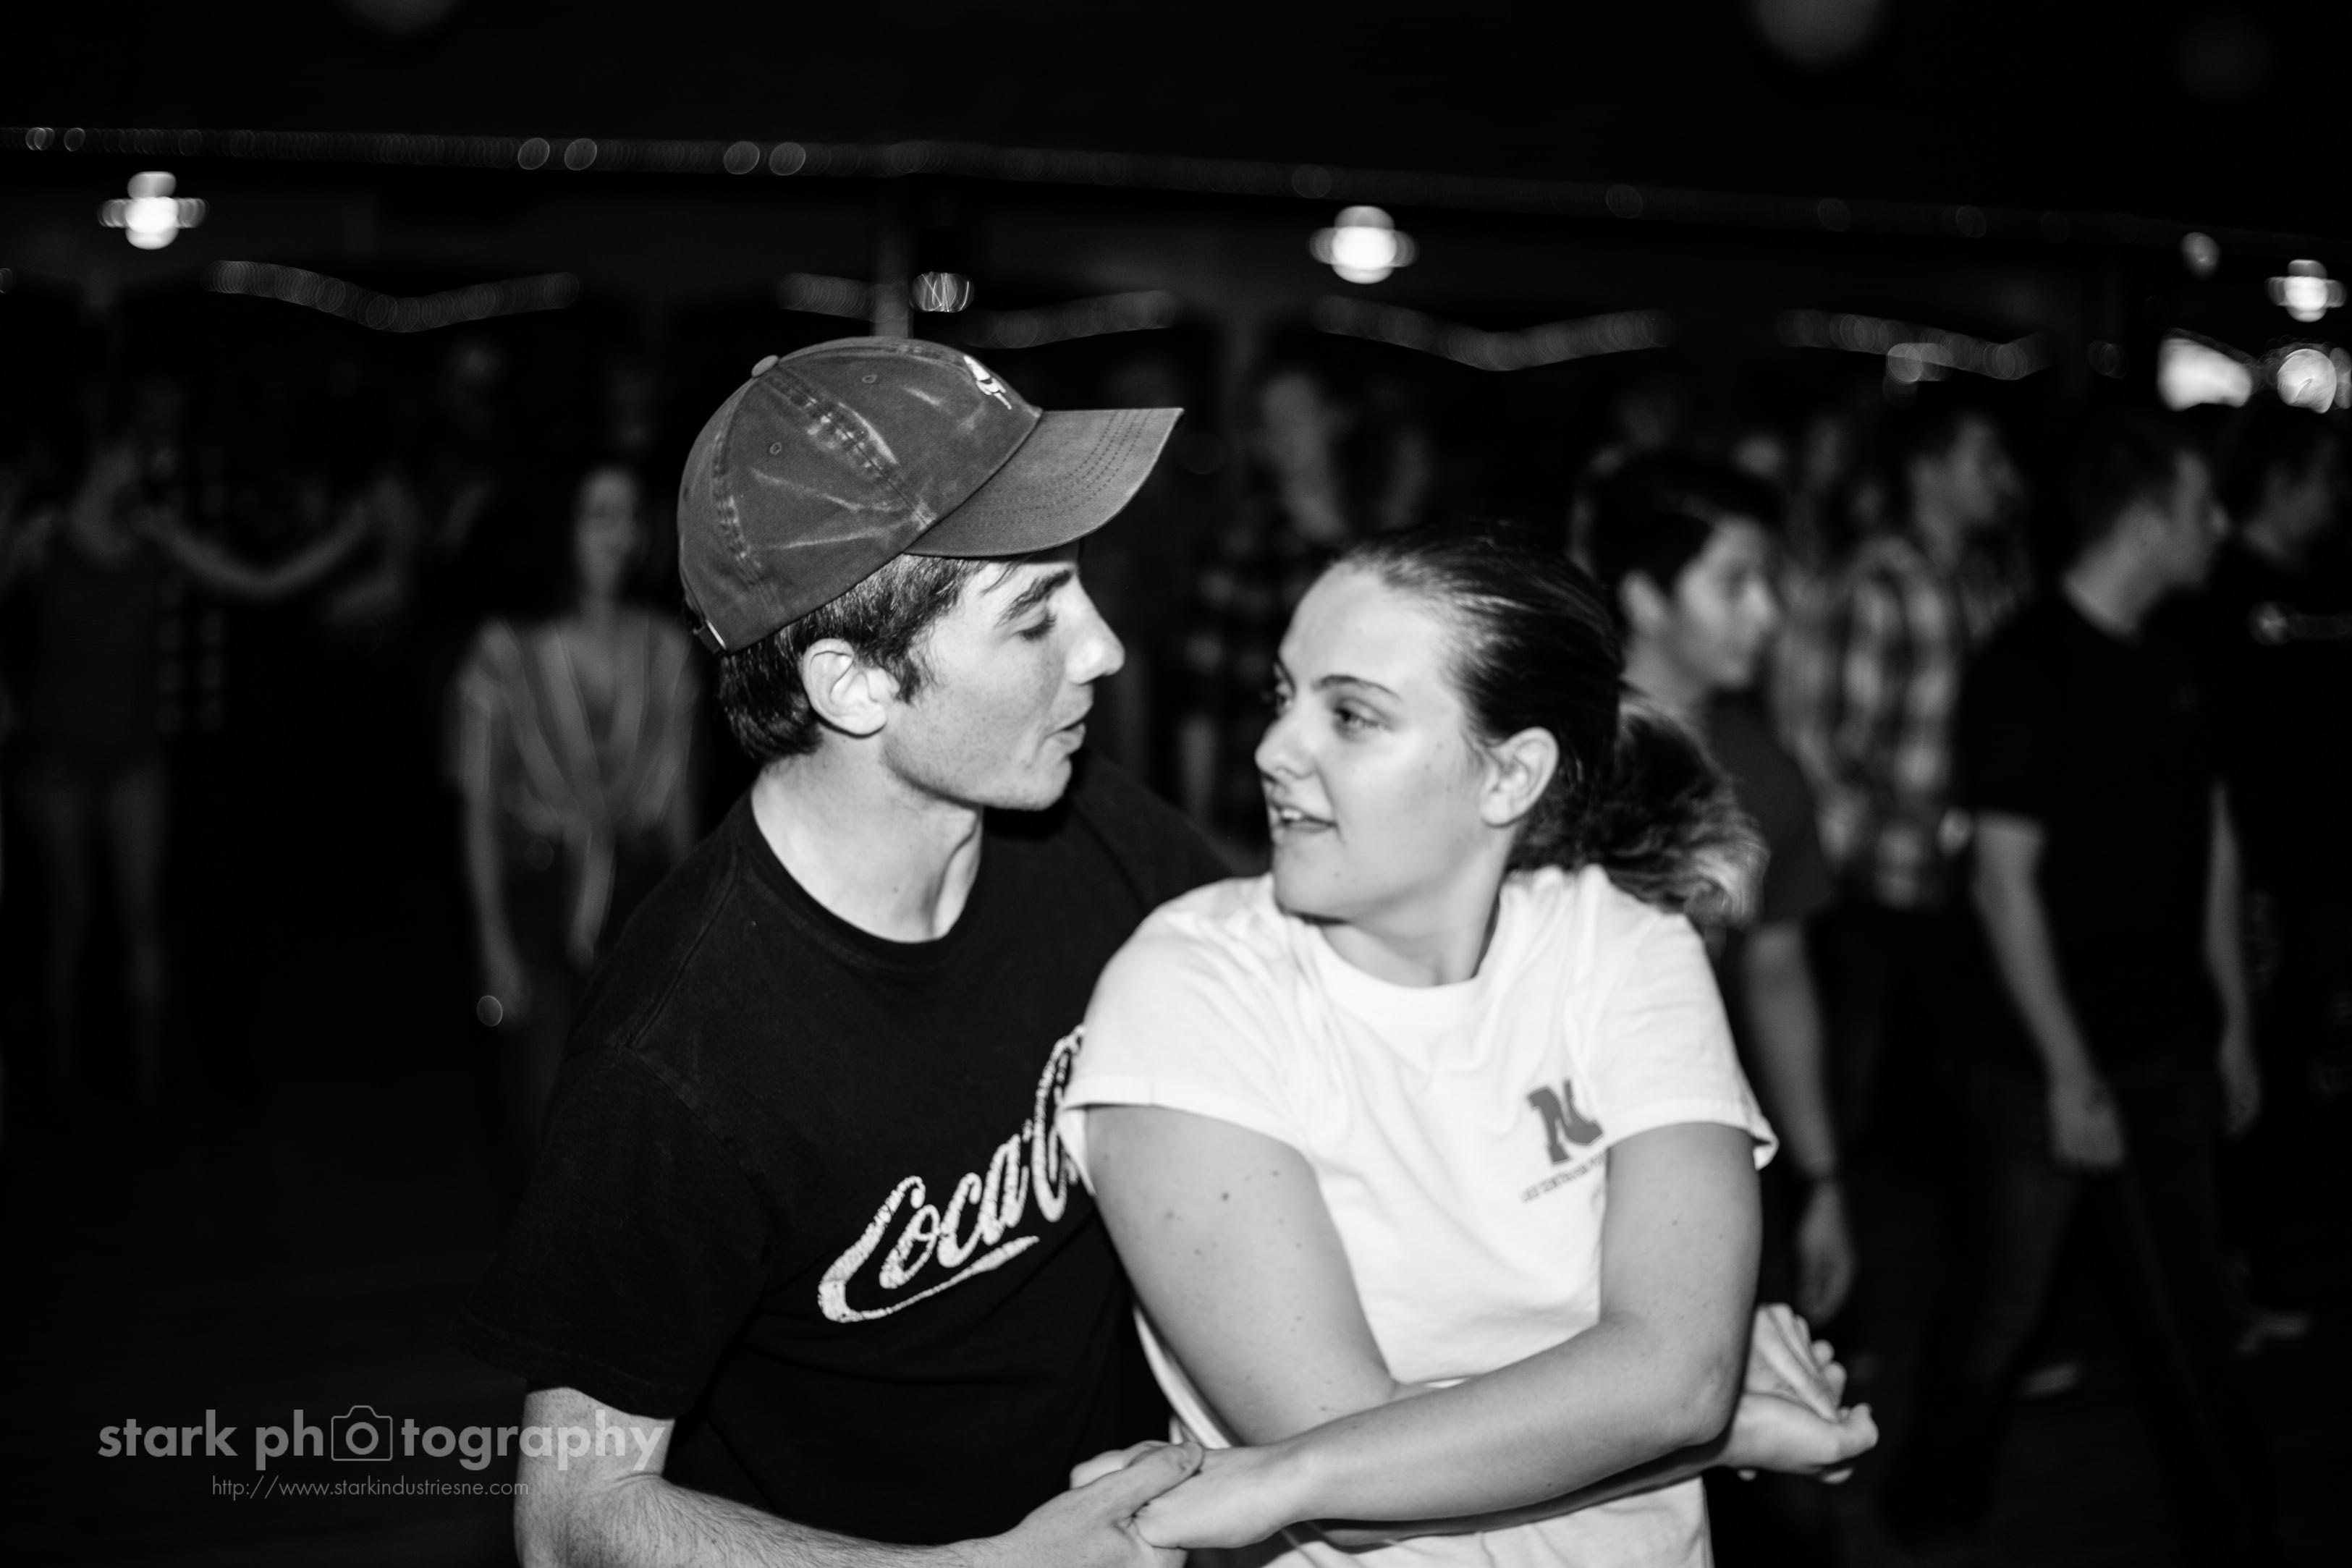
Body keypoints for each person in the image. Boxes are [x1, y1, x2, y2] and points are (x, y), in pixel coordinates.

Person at [453, 337, 1219, 1564]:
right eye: (1036, 614)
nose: (1102, 648)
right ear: (853, 683)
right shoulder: (678, 1057)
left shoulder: (1087, 824)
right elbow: (573, 1514)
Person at [1062, 523, 1878, 1563]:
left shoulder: (1621, 938)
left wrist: (1681, 1398)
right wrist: (1717, 1426)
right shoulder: (1189, 988)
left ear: (1509, 776)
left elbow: (1676, 1376)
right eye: (1284, 695)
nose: (1272, 749)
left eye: (1351, 714)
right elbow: (1345, 1465)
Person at [1879, 415, 2283, 1564]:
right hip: (2029, 1054)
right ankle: (1926, 1511)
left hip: (2165, 1039)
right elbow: (2002, 885)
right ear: (2145, 522)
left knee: (2186, 1304)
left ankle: (2236, 1531)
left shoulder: (2179, 651)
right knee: (2001, 1308)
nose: (2218, 527)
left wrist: (2231, 1020)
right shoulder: (2023, 667)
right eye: (2200, 507)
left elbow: (2213, 843)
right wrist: (2065, 1071)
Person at [17, 405, 366, 1109]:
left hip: (134, 756)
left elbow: (259, 584)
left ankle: (148, 1089)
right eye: (135, 453)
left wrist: (348, 537)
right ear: (101, 454)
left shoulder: (156, 534)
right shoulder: (41, 537)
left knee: (142, 917)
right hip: (58, 760)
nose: (147, 468)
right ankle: (60, 1078)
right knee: (71, 917)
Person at [1592, 457, 1854, 1323]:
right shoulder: (1549, 757)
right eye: (1734, 583)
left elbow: (1776, 976)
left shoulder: (1763, 769)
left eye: (1767, 582)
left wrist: (1821, 1178)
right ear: (1646, 597)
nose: (1767, 613)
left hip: (1702, 1151)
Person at [1772, 391, 2025, 1159]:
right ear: (1927, 470)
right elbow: (1824, 744)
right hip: (1875, 881)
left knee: (1950, 1110)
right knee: (1849, 1086)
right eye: (1984, 459)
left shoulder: (1989, 580)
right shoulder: (1873, 584)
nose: (2003, 477)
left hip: (1967, 882)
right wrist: (1940, 821)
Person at [448, 462, 702, 1177]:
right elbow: (477, 809)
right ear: (560, 526)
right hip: (536, 891)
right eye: (600, 514)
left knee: (633, 1111)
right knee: (541, 1114)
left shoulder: (667, 646)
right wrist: (490, 935)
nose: (621, 533)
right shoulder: (502, 651)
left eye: (631, 515)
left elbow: (679, 813)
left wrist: (691, 933)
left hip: (638, 893)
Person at [2201, 402, 2350, 1323]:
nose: (2339, 497)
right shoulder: (2222, 596)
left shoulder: (2321, 584)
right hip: (2256, 885)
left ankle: (2263, 1258)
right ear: (2283, 481)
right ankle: (2233, 1269)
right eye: (2327, 477)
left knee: (2301, 1070)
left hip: (2312, 879)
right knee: (2256, 1067)